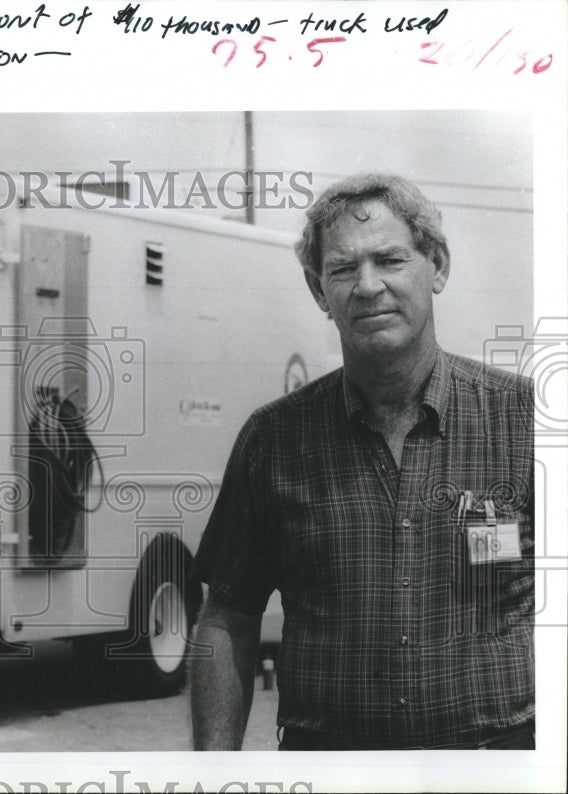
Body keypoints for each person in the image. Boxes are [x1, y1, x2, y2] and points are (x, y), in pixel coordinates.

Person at [189, 173, 534, 751]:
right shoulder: (274, 441)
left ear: (438, 266)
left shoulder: (526, 421)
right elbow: (228, 620)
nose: (368, 286)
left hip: (498, 763)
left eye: (391, 260)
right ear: (318, 288)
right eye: (344, 268)